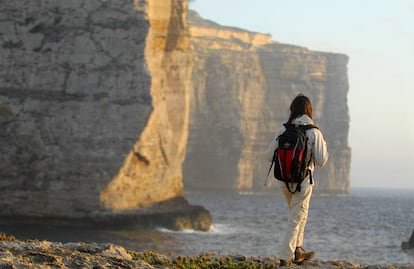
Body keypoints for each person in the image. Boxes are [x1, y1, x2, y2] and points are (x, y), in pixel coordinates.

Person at [266, 94, 329, 266]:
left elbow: (268, 156)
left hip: (283, 181)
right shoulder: (314, 132)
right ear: (309, 111)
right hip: (303, 181)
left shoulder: (284, 130)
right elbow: (322, 160)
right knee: (296, 217)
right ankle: (285, 257)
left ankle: (298, 250)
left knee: (300, 214)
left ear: (292, 110)